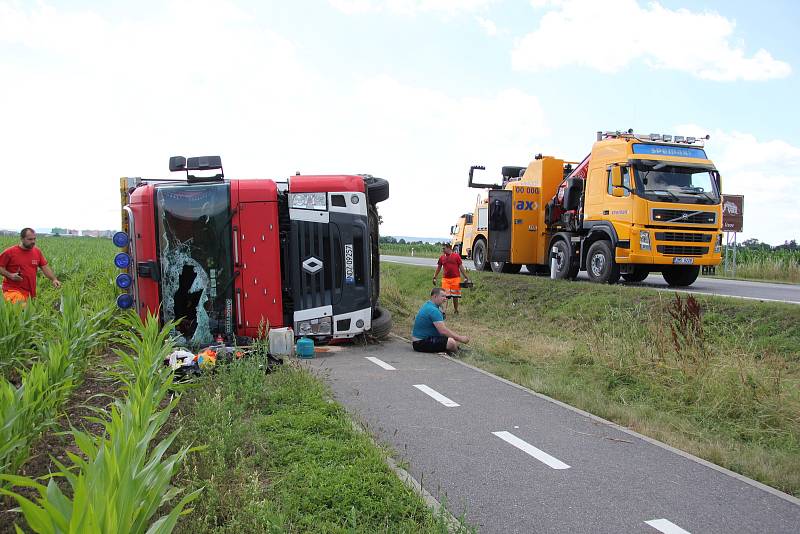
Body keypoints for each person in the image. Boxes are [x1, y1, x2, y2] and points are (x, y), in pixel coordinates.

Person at [0, 228, 61, 303]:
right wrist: (10, 275)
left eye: (34, 239)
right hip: (12, 290)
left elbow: (45, 267)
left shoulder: (37, 252)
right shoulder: (10, 252)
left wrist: (54, 279)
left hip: (30, 292)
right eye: (30, 239)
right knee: (20, 307)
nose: (33, 242)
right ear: (22, 239)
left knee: (29, 311)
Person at [411, 287, 469, 353]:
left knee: (449, 340)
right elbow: (443, 331)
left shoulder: (428, 304)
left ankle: (458, 350)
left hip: (419, 342)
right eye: (443, 296)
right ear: (435, 296)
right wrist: (460, 338)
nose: (445, 299)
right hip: (421, 343)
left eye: (445, 296)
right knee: (451, 342)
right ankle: (458, 354)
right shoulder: (433, 310)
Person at [433, 243, 469, 315]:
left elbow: (461, 267)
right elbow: (439, 268)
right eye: (442, 248)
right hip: (445, 280)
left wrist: (466, 277)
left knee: (455, 296)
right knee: (444, 296)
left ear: (449, 248)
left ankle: (456, 310)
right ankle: (443, 311)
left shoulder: (456, 256)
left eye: (444, 248)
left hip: (455, 279)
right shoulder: (442, 258)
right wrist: (434, 277)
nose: (442, 250)